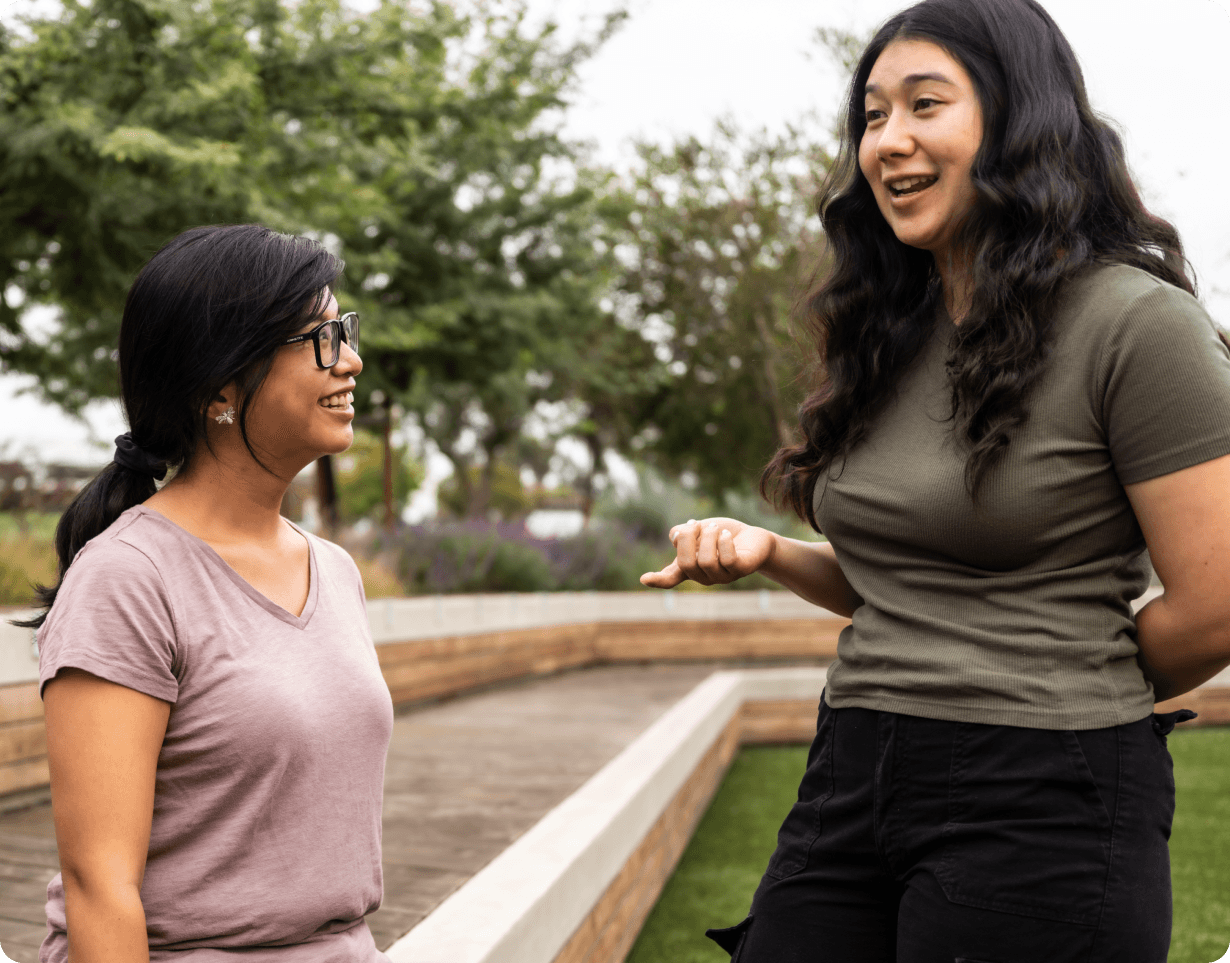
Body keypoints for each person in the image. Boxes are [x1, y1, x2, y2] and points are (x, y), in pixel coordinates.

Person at [641, 0, 1230, 959]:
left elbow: (1217, 604)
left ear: (1019, 119)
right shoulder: (890, 332)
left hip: (1045, 793)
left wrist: (1060, 684)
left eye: (925, 104)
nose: (889, 142)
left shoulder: (1136, 325)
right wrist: (773, 553)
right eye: (872, 115)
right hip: (856, 766)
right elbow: (925, 585)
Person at [26, 224, 394, 962]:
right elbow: (100, 884)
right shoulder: (128, 578)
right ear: (219, 386)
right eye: (320, 339)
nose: (350, 359)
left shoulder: (336, 570)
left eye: (345, 331)